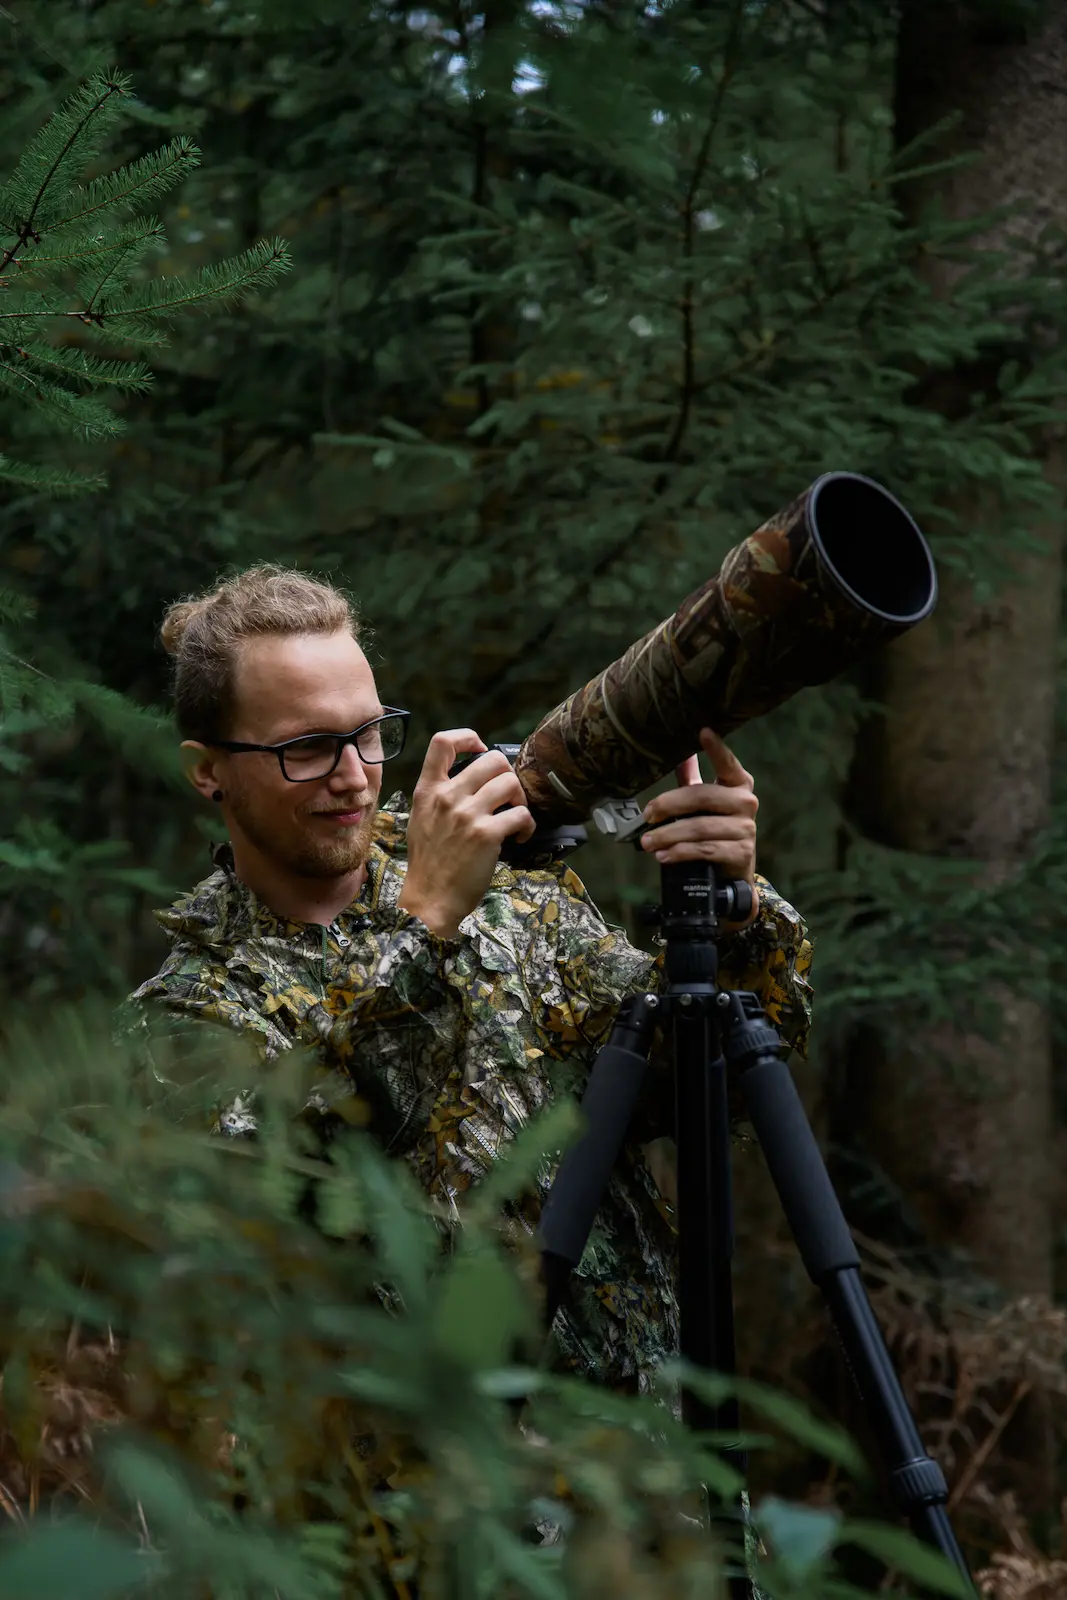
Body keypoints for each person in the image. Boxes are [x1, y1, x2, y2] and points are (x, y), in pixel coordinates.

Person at [127, 564, 813, 1393]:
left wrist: (728, 912)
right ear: (207, 770)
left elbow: (686, 1084)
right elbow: (287, 1192)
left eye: (370, 733)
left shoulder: (505, 893)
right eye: (305, 748)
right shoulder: (186, 1011)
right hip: (420, 1495)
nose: (353, 776)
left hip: (638, 1466)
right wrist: (421, 927)